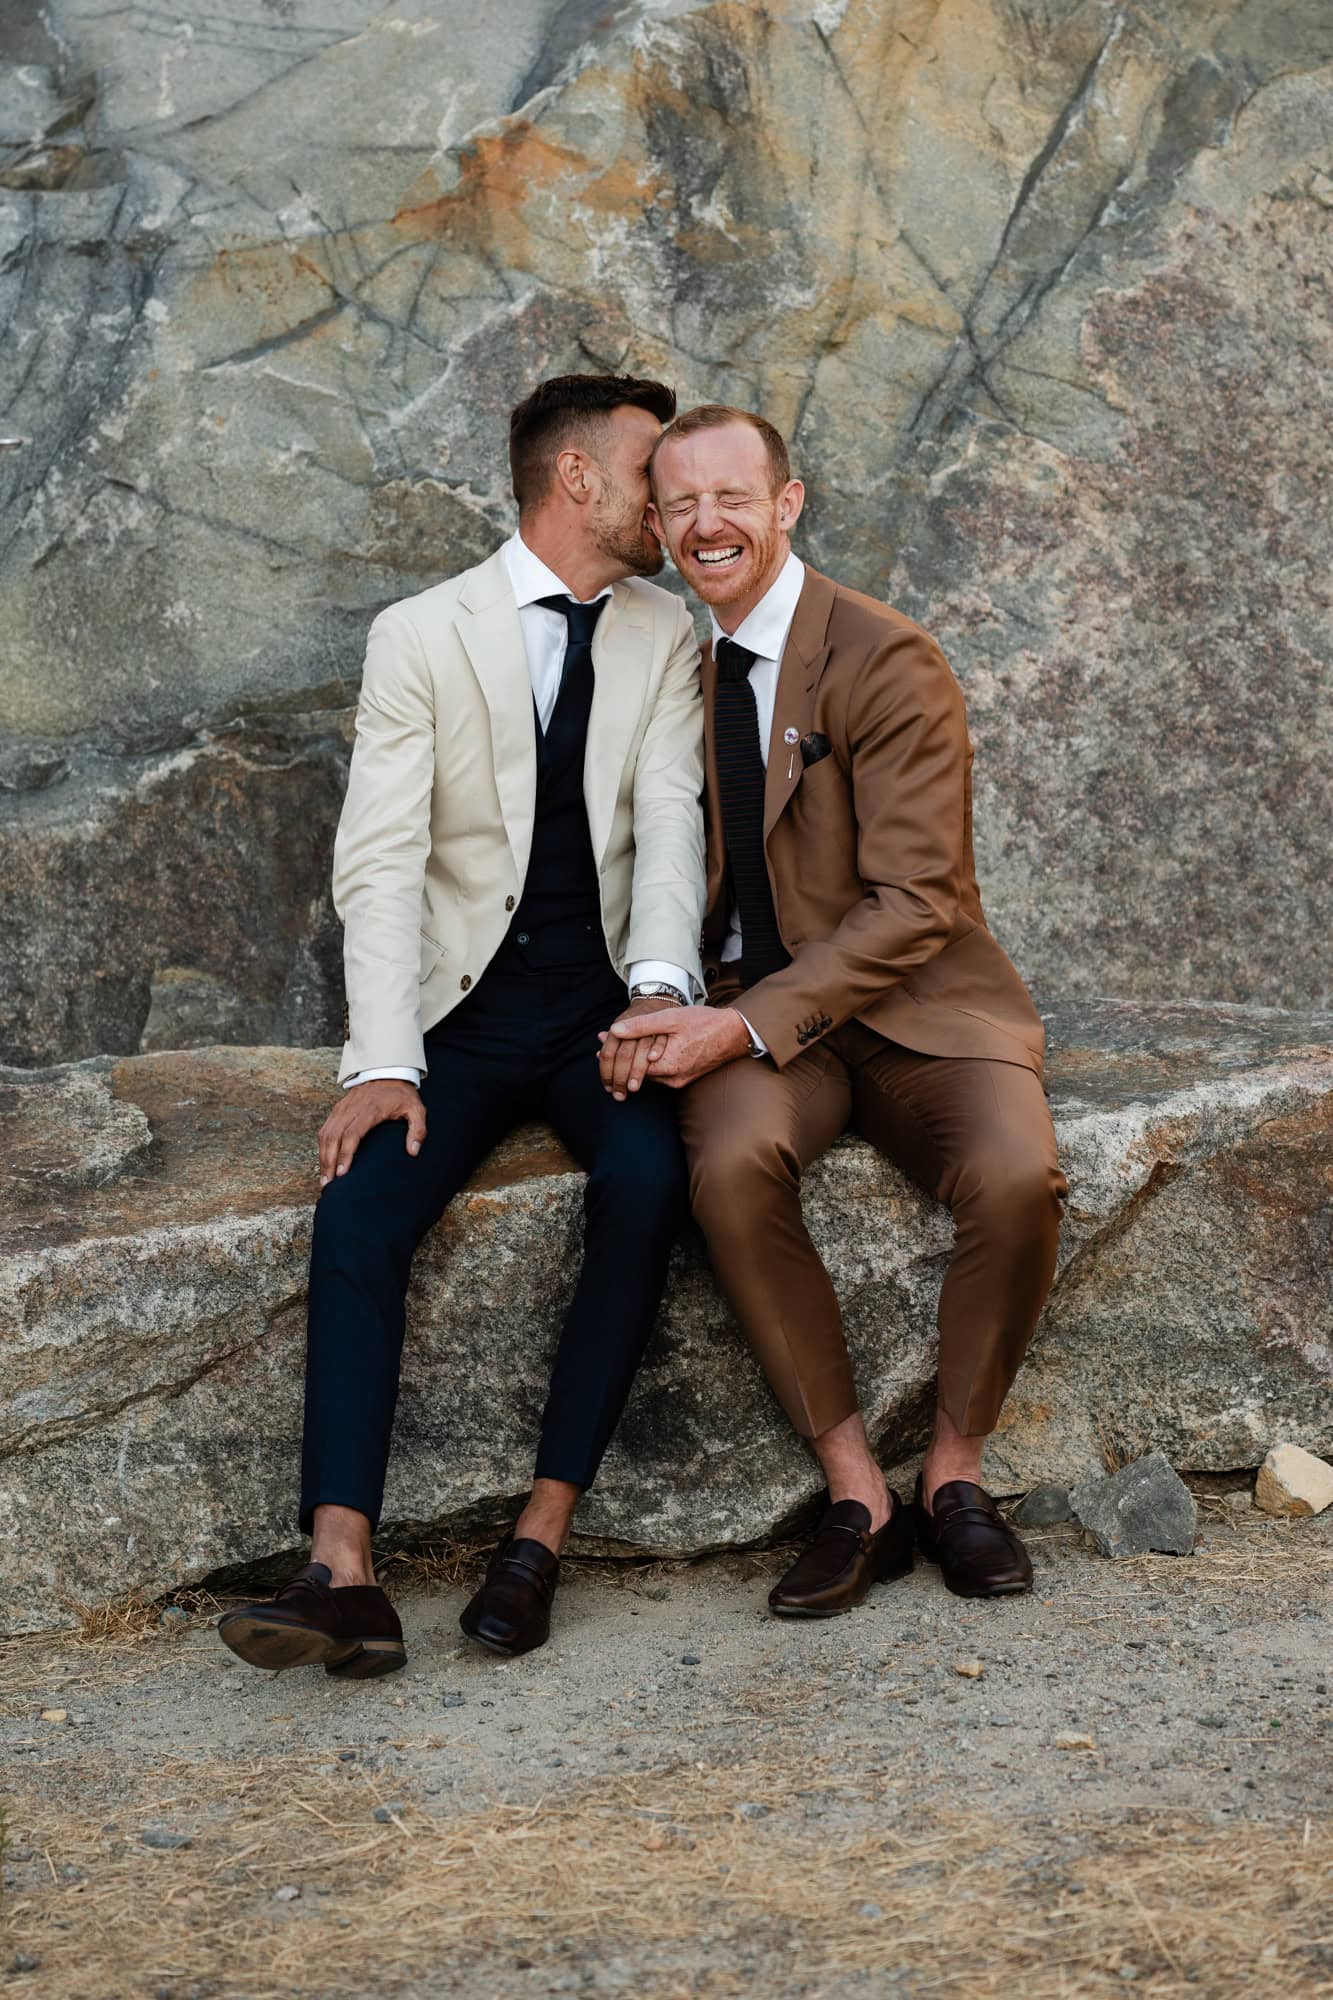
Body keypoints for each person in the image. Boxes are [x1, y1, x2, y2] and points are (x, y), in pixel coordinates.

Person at [219, 374, 706, 1676]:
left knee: (652, 1175)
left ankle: (539, 1536)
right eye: (652, 468)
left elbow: (670, 825)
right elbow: (377, 865)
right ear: (580, 481)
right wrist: (382, 1064)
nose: (672, 497)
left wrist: (660, 988)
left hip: (595, 1009)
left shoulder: (667, 633)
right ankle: (343, 1572)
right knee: (359, 1206)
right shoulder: (421, 635)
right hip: (460, 1019)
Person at [607, 403, 1067, 1616]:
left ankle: (956, 1477)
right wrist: (667, 999)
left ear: (787, 502)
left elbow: (919, 902)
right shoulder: (661, 660)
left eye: (732, 497)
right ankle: (858, 1492)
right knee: (729, 1164)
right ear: (654, 524)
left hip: (914, 1003)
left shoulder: (883, 654)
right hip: (753, 1007)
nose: (708, 524)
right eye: (681, 504)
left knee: (1017, 1176)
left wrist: (739, 1025)